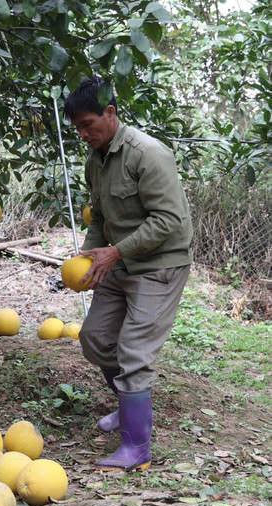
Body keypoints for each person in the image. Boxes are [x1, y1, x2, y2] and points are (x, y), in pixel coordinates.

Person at [63, 76, 193, 471]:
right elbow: (100, 218)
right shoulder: (94, 161)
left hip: (160, 265)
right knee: (96, 338)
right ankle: (127, 403)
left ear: (110, 112)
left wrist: (114, 252)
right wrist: (89, 253)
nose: (84, 134)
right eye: (78, 129)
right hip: (119, 262)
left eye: (89, 124)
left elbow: (169, 219)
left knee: (134, 351)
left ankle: (137, 446)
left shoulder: (147, 154)